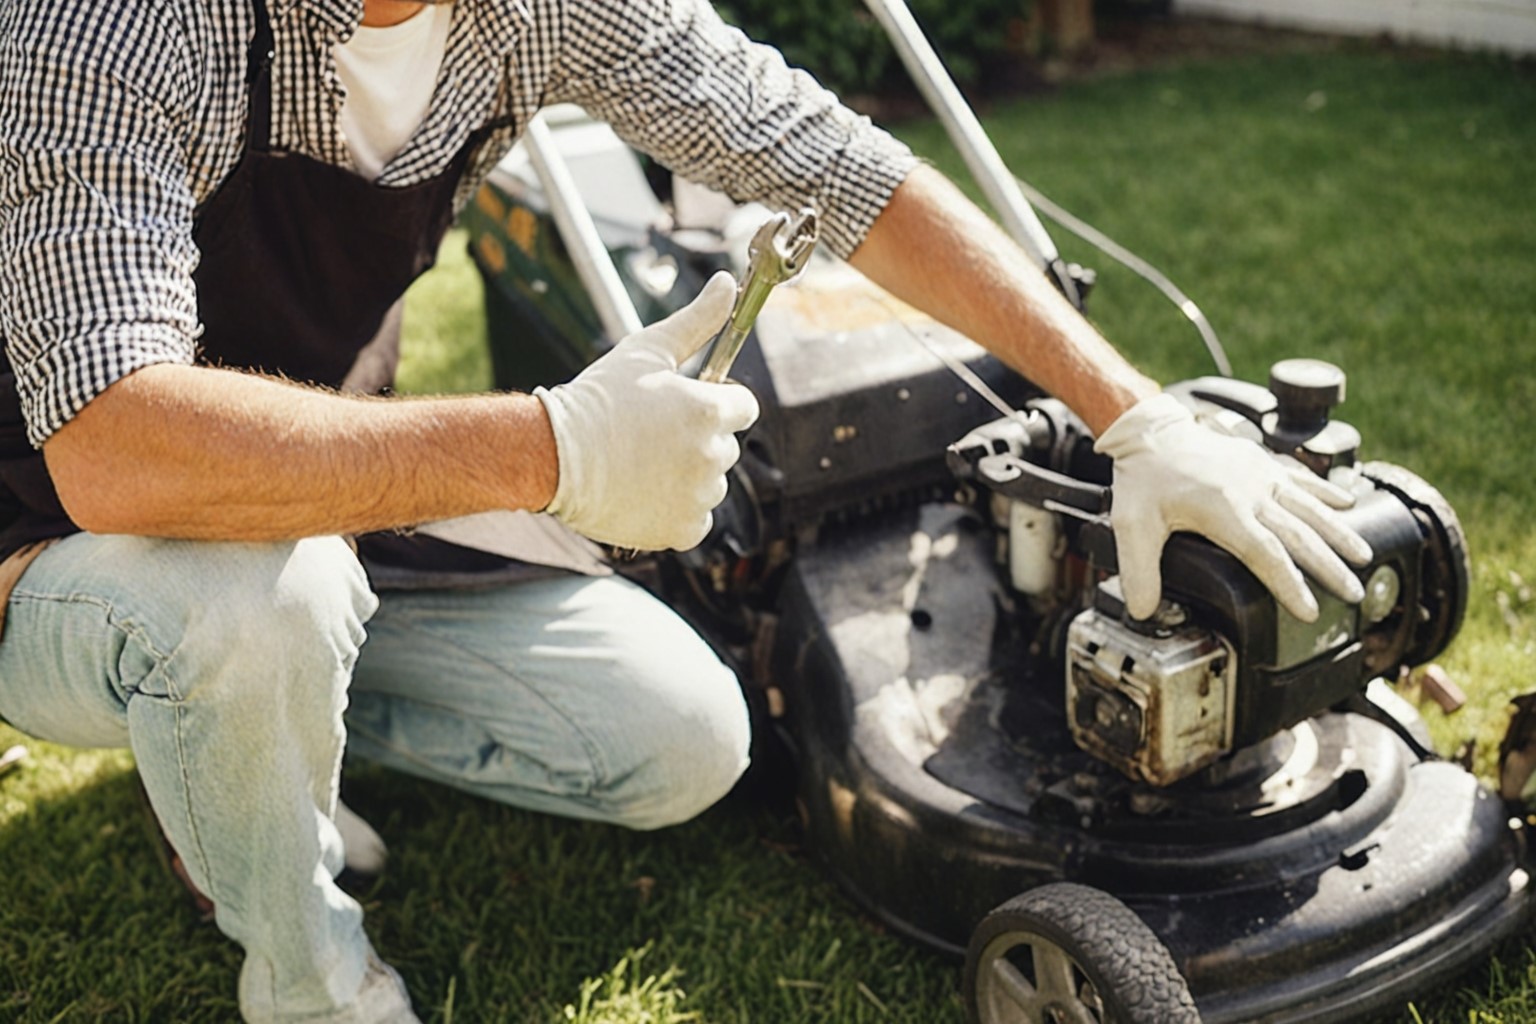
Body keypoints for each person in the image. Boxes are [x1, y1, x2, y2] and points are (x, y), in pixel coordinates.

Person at [0, 0, 1371, 1019]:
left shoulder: (525, 10)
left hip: (340, 492)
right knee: (263, 598)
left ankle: (248, 747)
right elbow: (115, 443)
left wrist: (1139, 414)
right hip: (61, 538)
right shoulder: (109, 22)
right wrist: (551, 446)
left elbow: (837, 170)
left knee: (682, 740)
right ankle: (310, 973)